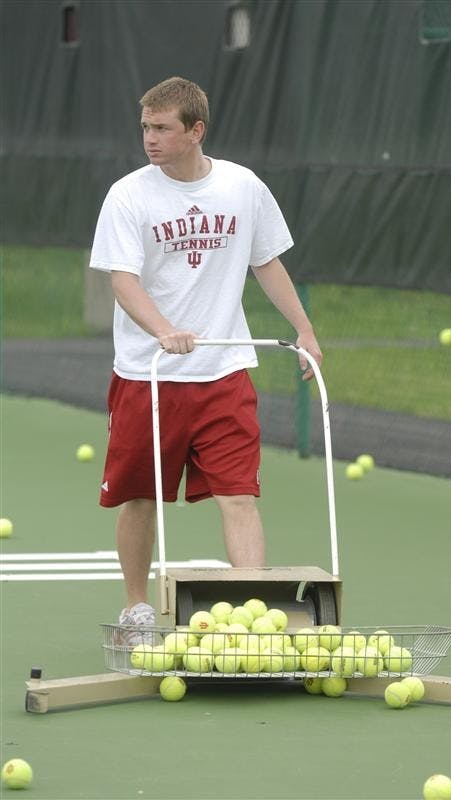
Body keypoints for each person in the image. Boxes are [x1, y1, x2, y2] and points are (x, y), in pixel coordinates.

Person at [89, 76, 322, 639]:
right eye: (145, 126)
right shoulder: (128, 195)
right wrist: (165, 330)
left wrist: (305, 330)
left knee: (240, 495)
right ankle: (136, 607)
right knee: (141, 498)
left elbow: (266, 261)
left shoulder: (243, 188)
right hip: (148, 377)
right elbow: (123, 280)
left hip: (225, 373)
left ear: (196, 131)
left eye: (163, 128)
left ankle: (258, 616)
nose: (150, 138)